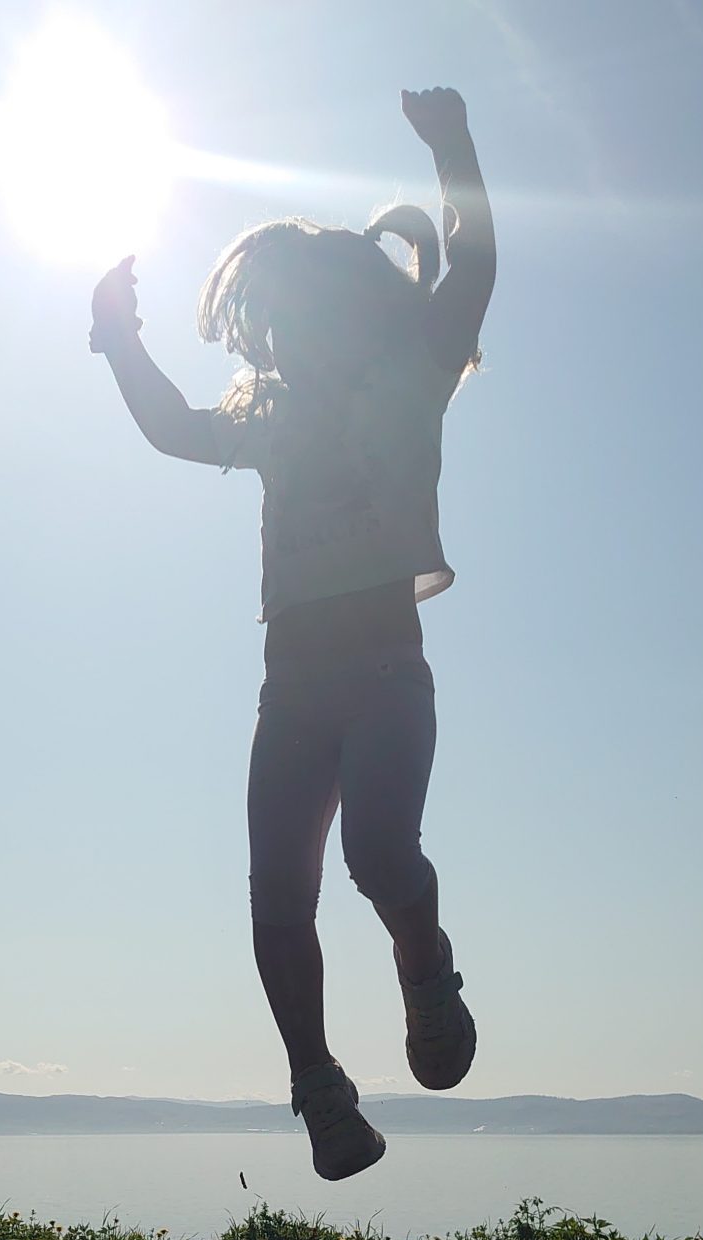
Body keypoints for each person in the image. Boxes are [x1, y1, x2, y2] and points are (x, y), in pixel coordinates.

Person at [90, 87, 496, 1179]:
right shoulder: (268, 419)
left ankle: (425, 971)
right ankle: (319, 1090)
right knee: (277, 893)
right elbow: (176, 428)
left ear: (352, 311)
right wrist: (117, 340)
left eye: (300, 315)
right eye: (270, 322)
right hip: (292, 693)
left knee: (375, 852)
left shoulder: (412, 382)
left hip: (382, 678)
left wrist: (452, 148)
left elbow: (472, 273)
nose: (280, 336)